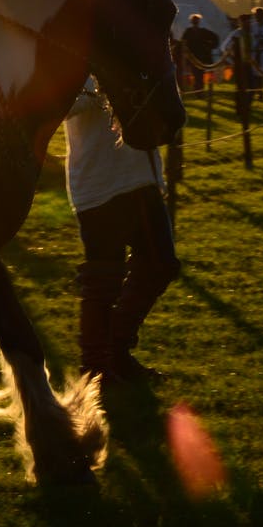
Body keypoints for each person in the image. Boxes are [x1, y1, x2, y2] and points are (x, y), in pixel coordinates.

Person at [63, 77, 178, 384]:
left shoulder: (138, 53)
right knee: (103, 280)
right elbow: (62, 105)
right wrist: (105, 90)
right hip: (99, 181)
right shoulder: (78, 57)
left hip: (142, 177)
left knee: (160, 264)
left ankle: (116, 349)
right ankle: (96, 369)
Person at [180, 13, 220, 90]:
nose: (195, 21)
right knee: (195, 74)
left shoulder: (203, 31)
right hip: (192, 57)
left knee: (199, 74)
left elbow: (215, 38)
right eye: (194, 20)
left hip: (201, 57)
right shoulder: (188, 32)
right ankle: (197, 89)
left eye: (196, 20)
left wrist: (209, 47)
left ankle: (199, 89)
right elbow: (183, 43)